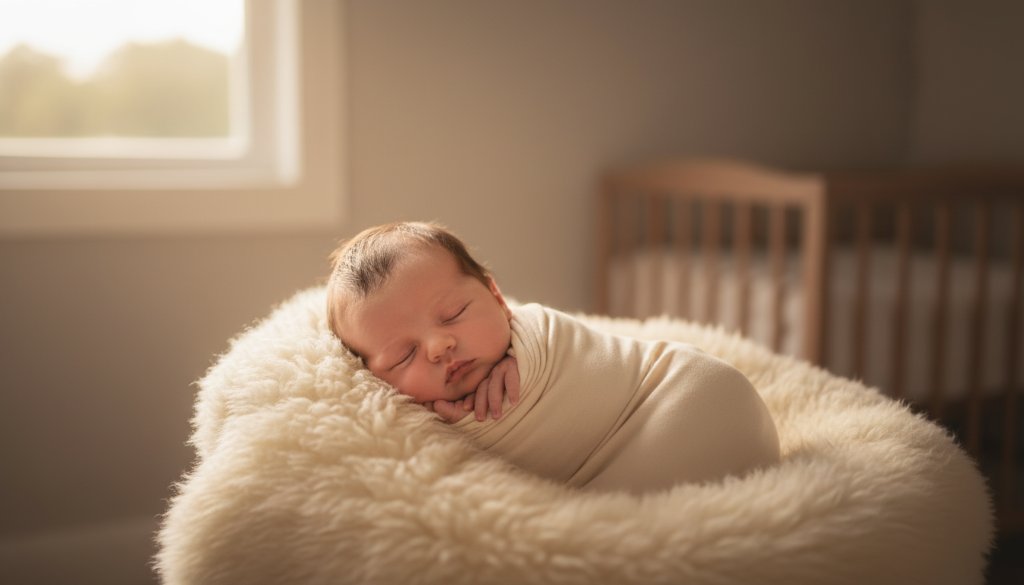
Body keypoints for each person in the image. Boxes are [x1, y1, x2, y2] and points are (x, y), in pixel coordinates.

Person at [327, 221, 780, 493]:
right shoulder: (405, 419)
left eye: (454, 313)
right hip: (647, 463)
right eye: (403, 356)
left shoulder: (537, 335)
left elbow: (564, 348)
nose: (438, 347)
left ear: (497, 298)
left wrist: (528, 358)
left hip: (682, 395)